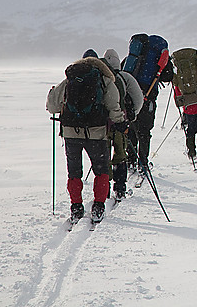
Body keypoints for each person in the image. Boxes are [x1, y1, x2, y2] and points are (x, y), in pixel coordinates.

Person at [46, 53, 124, 224]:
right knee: (101, 170)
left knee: (74, 172)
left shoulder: (70, 81)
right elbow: (113, 105)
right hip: (96, 132)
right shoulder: (104, 81)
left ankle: (76, 207)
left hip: (71, 133)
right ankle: (98, 207)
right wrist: (120, 122)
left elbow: (52, 106)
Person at [102, 48, 144, 200]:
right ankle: (120, 188)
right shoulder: (124, 77)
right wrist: (131, 118)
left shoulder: (101, 78)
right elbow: (138, 98)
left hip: (103, 124)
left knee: (103, 156)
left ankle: (103, 190)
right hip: (120, 122)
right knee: (120, 154)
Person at [127, 57, 174, 174]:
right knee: (144, 132)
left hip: (131, 100)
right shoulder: (158, 59)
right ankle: (142, 162)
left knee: (131, 129)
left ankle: (131, 160)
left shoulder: (133, 56)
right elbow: (168, 77)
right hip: (148, 100)